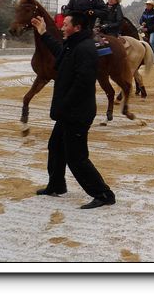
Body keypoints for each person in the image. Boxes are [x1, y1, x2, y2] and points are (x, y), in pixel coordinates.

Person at [30, 11, 116, 209]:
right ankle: (57, 185)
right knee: (56, 147)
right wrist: (43, 33)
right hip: (67, 111)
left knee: (76, 157)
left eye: (66, 24)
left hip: (77, 112)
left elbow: (83, 83)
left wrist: (64, 104)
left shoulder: (85, 49)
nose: (62, 27)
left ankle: (103, 194)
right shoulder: (74, 44)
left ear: (76, 27)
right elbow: (60, 53)